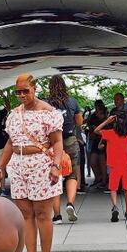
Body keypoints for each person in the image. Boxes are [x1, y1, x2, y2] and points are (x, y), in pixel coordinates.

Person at [0, 74, 63, 252]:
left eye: (26, 91)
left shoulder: (48, 113)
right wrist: (0, 167)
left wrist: (56, 166)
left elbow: (57, 142)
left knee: (42, 214)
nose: (22, 95)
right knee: (25, 215)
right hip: (18, 165)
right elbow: (9, 143)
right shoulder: (14, 114)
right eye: (18, 92)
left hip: (41, 164)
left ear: (35, 89)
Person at [46, 75, 82, 224]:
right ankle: (70, 203)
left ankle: (57, 216)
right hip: (70, 139)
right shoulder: (72, 101)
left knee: (55, 177)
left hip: (52, 143)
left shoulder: (46, 103)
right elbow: (79, 122)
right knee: (72, 174)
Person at [94, 105, 127, 222]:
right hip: (125, 163)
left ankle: (115, 206)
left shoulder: (110, 133)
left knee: (113, 188)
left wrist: (106, 121)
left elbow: (96, 130)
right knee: (126, 188)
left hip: (113, 164)